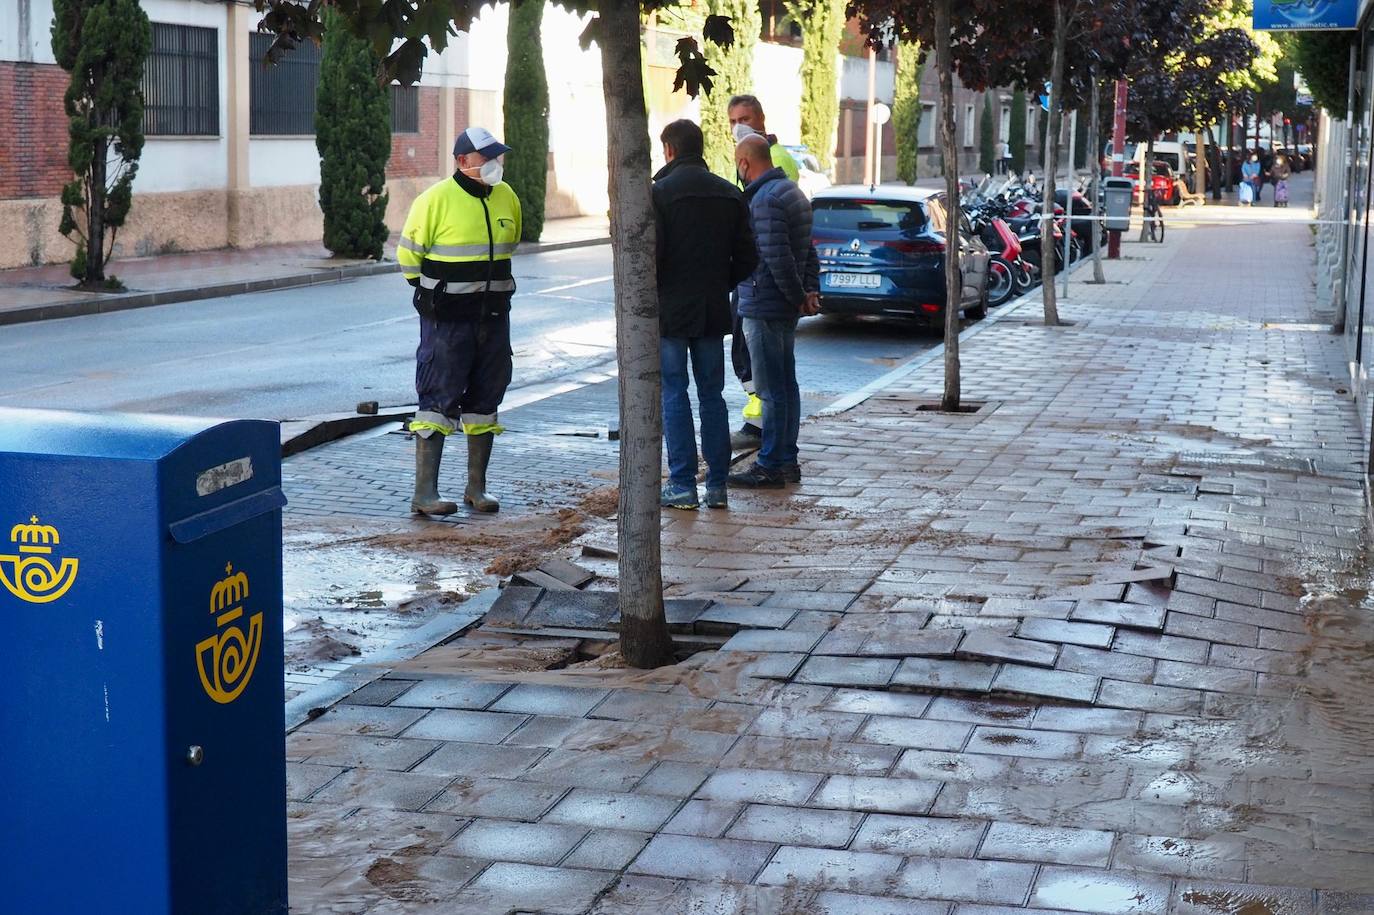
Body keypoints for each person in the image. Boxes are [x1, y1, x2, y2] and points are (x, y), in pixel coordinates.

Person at [398, 126, 521, 516]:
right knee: (437, 396)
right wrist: (438, 296)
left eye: (496, 158)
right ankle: (424, 493)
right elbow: (408, 258)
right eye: (487, 160)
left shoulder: (507, 197)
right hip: (447, 322)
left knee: (487, 398)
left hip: (494, 317)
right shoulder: (434, 200)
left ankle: (476, 489)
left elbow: (511, 243)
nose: (494, 166)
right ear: (462, 162)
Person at [652, 119, 759, 510]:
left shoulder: (659, 194)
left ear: (669, 150)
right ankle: (717, 484)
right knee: (712, 395)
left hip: (671, 312)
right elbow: (748, 257)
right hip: (712, 311)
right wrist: (719, 283)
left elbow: (652, 255)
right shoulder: (730, 195)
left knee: (675, 394)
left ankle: (682, 482)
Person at [728, 134, 819, 489]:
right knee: (786, 386)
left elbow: (775, 257)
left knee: (769, 390)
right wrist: (809, 291)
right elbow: (808, 252)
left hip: (764, 303)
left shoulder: (764, 200)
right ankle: (787, 461)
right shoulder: (793, 192)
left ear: (745, 163)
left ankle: (770, 464)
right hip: (781, 305)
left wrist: (798, 295)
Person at [726, 94, 799, 451]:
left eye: (745, 118)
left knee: (772, 384)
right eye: (733, 120)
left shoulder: (773, 171)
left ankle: (772, 454)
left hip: (762, 292)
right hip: (758, 287)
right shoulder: (760, 173)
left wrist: (794, 295)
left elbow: (775, 247)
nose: (738, 125)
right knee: (776, 380)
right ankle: (779, 451)